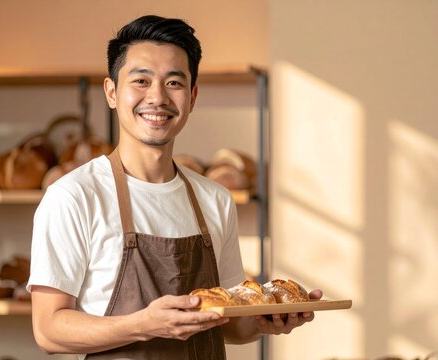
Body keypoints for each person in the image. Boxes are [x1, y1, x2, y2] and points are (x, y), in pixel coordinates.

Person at [27, 15, 323, 359]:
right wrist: (141, 325)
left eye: (174, 83)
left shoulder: (214, 199)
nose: (157, 97)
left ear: (193, 96)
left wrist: (263, 321)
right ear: (111, 92)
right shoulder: (74, 197)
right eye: (140, 80)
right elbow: (48, 329)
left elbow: (227, 321)